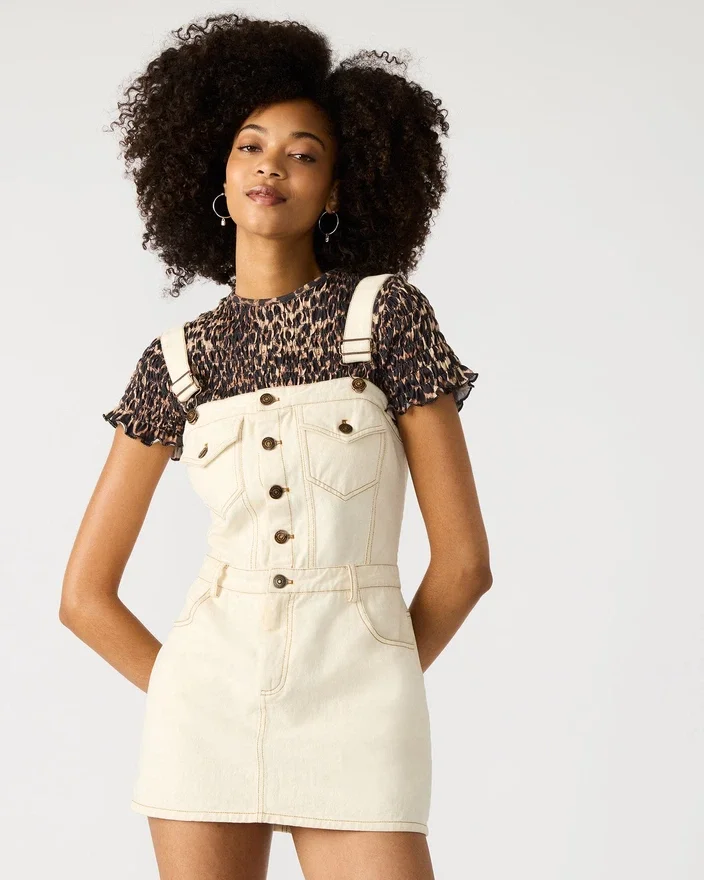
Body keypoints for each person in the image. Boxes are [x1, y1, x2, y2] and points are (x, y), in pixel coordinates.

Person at [59, 13, 492, 880]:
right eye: (250, 147)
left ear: (334, 191)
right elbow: (83, 597)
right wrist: (189, 693)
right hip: (204, 717)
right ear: (218, 174)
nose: (270, 166)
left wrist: (377, 679)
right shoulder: (177, 360)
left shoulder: (388, 318)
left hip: (359, 707)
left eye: (303, 153)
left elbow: (464, 565)